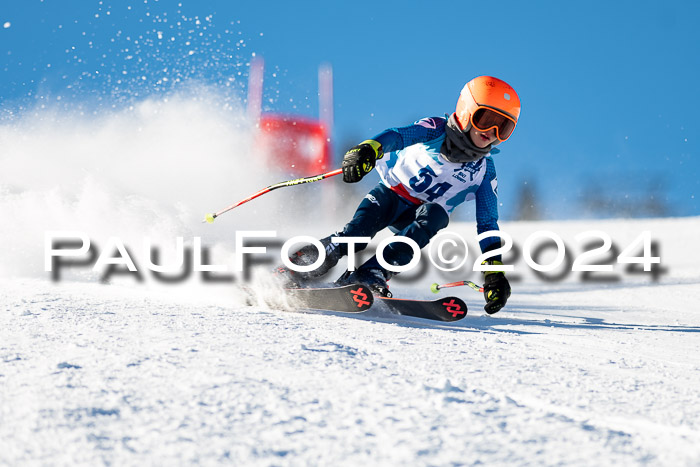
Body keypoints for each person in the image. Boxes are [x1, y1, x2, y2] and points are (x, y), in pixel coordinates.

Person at [277, 76, 520, 314]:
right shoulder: (437, 129)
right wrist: (369, 149)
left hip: (421, 214)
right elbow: (398, 135)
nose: (492, 131)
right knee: (356, 235)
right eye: (485, 119)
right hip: (391, 196)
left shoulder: (484, 171)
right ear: (467, 110)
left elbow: (488, 223)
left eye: (504, 127)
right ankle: (300, 265)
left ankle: (371, 273)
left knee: (433, 218)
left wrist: (494, 272)